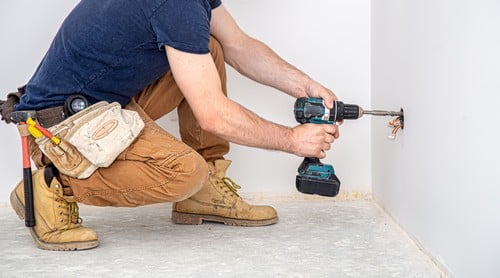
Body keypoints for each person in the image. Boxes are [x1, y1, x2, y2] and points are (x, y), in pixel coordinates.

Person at [1, 0, 339, 251]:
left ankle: (204, 192)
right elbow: (213, 115)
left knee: (208, 47)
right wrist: (291, 141)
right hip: (57, 126)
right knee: (183, 172)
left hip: (102, 103)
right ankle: (50, 186)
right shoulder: (177, 3)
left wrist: (303, 85)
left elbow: (239, 45)